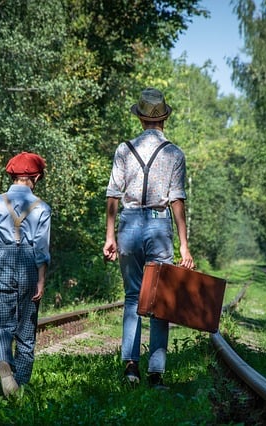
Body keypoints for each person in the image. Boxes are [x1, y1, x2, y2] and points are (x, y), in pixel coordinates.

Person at [103, 87, 195, 389]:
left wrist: (110, 236)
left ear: (141, 119)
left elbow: (113, 195)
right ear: (163, 119)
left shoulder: (123, 150)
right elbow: (177, 200)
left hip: (128, 225)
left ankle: (131, 368)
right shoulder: (174, 153)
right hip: (158, 225)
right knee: (159, 301)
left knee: (132, 297)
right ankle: (156, 374)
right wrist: (184, 244)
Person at [0, 152, 51, 396]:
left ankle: (3, 362)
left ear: (11, 175)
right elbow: (42, 247)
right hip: (29, 262)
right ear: (36, 177)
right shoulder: (42, 207)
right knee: (26, 326)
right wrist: (41, 279)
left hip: (2, 258)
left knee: (0, 321)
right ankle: (19, 385)